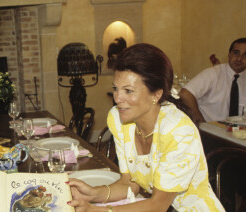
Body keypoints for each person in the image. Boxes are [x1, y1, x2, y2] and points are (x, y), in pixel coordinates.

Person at [67, 43, 225, 212]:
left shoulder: (178, 131)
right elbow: (130, 183)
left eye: (128, 91)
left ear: (156, 94)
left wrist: (97, 210)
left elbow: (157, 206)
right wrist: (93, 194)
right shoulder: (119, 120)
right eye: (116, 88)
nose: (118, 98)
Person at [180, 38, 246, 123]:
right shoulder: (213, 73)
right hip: (212, 131)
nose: (239, 58)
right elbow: (185, 94)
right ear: (229, 54)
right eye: (236, 53)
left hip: (240, 132)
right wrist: (202, 124)